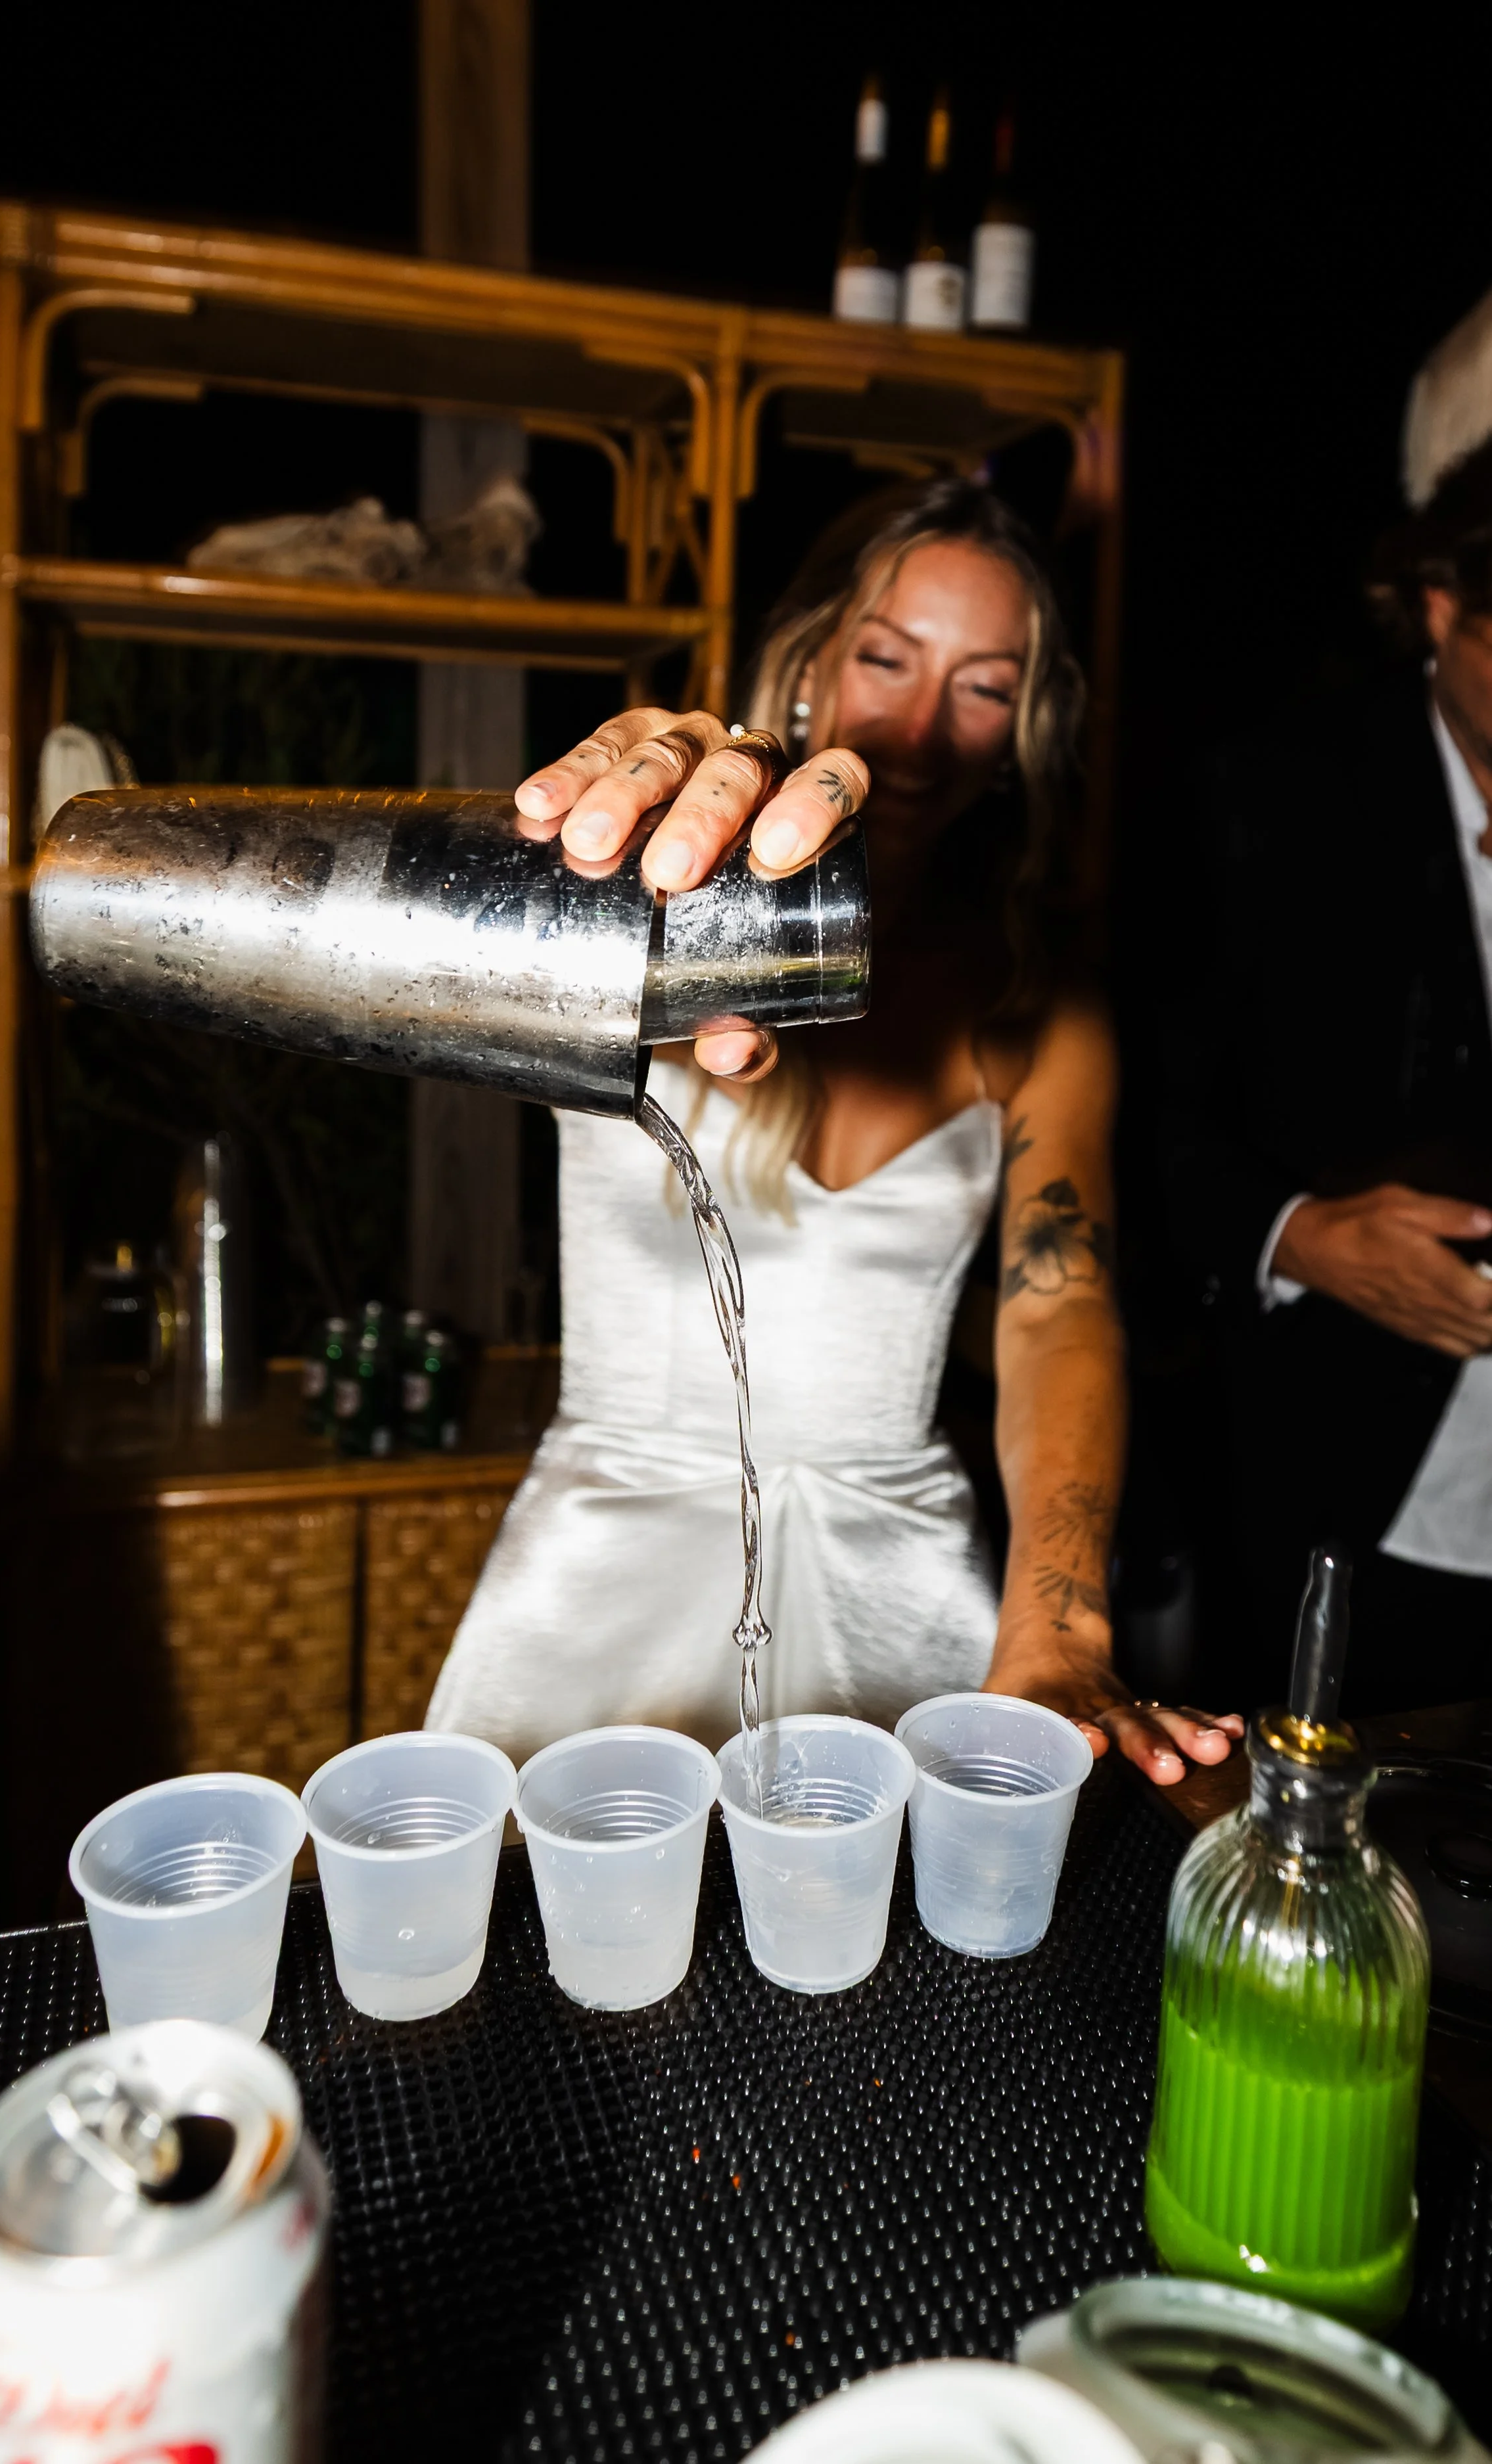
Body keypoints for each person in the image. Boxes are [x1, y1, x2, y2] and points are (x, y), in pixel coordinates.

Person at [427, 479, 1241, 1783]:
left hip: (902, 1590)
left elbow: (1058, 1309)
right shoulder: (641, 905)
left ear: (1023, 731)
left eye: (984, 686)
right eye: (885, 659)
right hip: (594, 1585)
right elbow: (431, 967)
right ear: (805, 665)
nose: (919, 730)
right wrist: (571, 848)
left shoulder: (1038, 1006)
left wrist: (1056, 1626)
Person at [1161, 327, 1492, 1714]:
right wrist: (1298, 1236)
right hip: (1346, 1502)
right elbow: (1139, 1125)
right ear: (1439, 606)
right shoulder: (1269, 796)